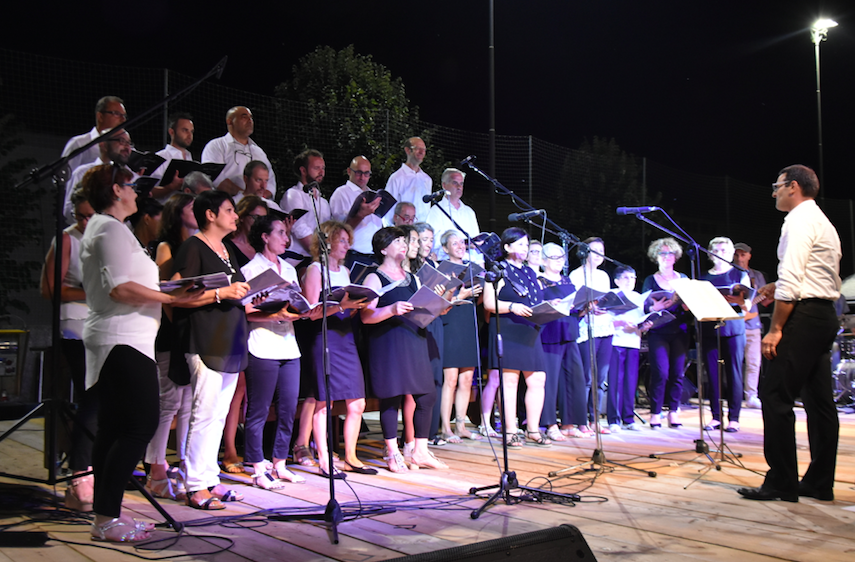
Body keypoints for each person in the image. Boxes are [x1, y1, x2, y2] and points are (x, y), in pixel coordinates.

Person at [78, 164, 201, 541]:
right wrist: (170, 298)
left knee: (115, 427)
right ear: (116, 191)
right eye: (131, 186)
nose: (137, 192)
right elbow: (120, 288)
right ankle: (106, 518)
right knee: (139, 426)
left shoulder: (109, 228)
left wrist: (170, 291)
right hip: (122, 339)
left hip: (124, 338)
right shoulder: (109, 228)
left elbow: (127, 284)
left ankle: (105, 517)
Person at [738, 164, 841, 503]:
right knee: (819, 401)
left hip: (804, 317)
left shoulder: (797, 221)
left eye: (777, 186)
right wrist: (776, 284)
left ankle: (782, 481)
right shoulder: (821, 220)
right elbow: (811, 273)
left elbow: (794, 283)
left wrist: (776, 329)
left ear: (793, 186)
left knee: (775, 395)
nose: (774, 192)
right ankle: (819, 482)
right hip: (824, 315)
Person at [171, 190, 251, 510]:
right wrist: (222, 293)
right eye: (229, 210)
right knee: (203, 413)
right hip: (204, 338)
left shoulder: (228, 248)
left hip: (230, 337)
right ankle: (194, 484)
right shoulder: (193, 246)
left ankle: (210, 477)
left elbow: (236, 288)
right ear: (210, 214)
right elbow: (178, 294)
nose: (236, 216)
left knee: (219, 413)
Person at [361, 227, 448, 472]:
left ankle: (420, 451)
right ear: (383, 249)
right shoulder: (374, 278)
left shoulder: (413, 278)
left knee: (426, 395)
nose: (403, 244)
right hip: (389, 342)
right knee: (391, 397)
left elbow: (422, 312)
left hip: (415, 338)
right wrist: (391, 310)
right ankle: (392, 452)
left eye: (403, 240)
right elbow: (366, 316)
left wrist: (437, 305)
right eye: (397, 240)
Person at [302, 221, 375, 476]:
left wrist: (358, 305)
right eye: (341, 240)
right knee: (325, 402)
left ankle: (351, 457)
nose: (347, 245)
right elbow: (311, 313)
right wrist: (343, 306)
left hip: (346, 338)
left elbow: (346, 308)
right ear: (327, 242)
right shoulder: (315, 270)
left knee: (357, 403)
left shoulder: (344, 271)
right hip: (325, 338)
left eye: (348, 241)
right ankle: (324, 460)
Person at [240, 216, 306, 486]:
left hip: (289, 345)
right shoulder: (250, 269)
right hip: (262, 345)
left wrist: (300, 310)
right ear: (265, 237)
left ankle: (280, 462)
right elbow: (246, 311)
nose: (286, 239)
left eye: (286, 233)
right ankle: (257, 466)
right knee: (258, 409)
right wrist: (274, 314)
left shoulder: (289, 269)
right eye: (280, 233)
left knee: (288, 408)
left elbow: (296, 304)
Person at [42, 190, 96, 510]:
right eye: (80, 216)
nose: (85, 222)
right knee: (92, 395)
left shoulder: (109, 236)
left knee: (105, 397)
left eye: (91, 216)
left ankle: (93, 467)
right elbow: (49, 288)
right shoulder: (66, 240)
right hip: (76, 326)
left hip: (105, 325)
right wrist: (92, 292)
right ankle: (81, 472)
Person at [144, 193, 198, 502]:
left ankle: (186, 466)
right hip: (171, 330)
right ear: (178, 213)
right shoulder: (166, 246)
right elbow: (166, 294)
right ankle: (156, 470)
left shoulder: (198, 244)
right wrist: (178, 326)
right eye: (192, 207)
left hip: (192, 328)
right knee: (169, 402)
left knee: (189, 402)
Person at [482, 227, 550, 448]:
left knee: (538, 379)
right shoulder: (498, 270)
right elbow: (488, 303)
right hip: (508, 327)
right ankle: (510, 430)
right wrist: (512, 306)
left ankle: (533, 429)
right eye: (520, 244)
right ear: (507, 246)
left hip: (530, 329)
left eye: (527, 244)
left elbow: (534, 300)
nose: (525, 248)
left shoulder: (530, 272)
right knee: (509, 382)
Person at [537, 243, 591, 439]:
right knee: (550, 381)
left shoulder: (568, 280)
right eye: (554, 257)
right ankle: (550, 424)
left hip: (570, 331)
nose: (559, 260)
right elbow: (537, 308)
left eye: (561, 257)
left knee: (574, 378)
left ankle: (569, 424)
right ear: (543, 261)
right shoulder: (540, 281)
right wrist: (550, 304)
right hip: (550, 334)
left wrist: (586, 307)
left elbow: (575, 310)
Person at [438, 230, 483, 442]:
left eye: (462, 242)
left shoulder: (472, 269)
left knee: (466, 379)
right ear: (445, 248)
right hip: (450, 321)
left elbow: (479, 299)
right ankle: (445, 427)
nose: (460, 246)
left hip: (467, 320)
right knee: (451, 378)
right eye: (454, 243)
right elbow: (438, 302)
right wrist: (461, 295)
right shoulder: (441, 269)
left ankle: (461, 425)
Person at [701, 237, 750, 433]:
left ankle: (734, 417)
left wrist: (740, 300)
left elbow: (747, 305)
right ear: (710, 254)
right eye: (716, 250)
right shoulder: (703, 278)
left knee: (734, 373)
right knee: (712, 374)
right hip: (709, 328)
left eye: (724, 250)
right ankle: (715, 416)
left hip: (733, 328)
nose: (720, 254)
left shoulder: (739, 274)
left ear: (730, 254)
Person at [641, 237, 691, 429]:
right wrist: (654, 307)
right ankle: (656, 412)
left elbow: (690, 306)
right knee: (660, 372)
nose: (666, 256)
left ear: (675, 256)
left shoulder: (683, 279)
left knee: (677, 373)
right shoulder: (650, 280)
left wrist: (687, 305)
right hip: (658, 331)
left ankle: (674, 410)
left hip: (680, 330)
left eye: (670, 253)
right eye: (662, 253)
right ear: (656, 256)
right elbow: (644, 306)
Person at [570, 237, 614, 433]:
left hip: (605, 327)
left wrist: (607, 306)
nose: (598, 254)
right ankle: (582, 421)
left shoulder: (604, 275)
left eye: (601, 251)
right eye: (594, 250)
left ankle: (596, 419)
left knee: (600, 378)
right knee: (586, 377)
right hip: (586, 329)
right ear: (585, 252)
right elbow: (573, 303)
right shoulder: (576, 275)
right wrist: (586, 307)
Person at [608, 266, 649, 433]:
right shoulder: (611, 295)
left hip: (633, 342)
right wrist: (620, 323)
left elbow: (640, 320)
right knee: (615, 382)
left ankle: (628, 418)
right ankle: (614, 419)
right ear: (617, 280)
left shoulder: (638, 297)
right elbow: (605, 319)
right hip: (616, 341)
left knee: (631, 382)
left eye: (633, 277)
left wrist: (645, 325)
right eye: (626, 277)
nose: (630, 281)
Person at [201, 106, 276, 196]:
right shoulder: (216, 146)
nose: (250, 121)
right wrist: (245, 197)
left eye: (251, 118)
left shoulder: (258, 151)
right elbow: (216, 178)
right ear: (229, 121)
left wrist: (258, 200)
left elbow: (271, 183)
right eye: (244, 117)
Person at [64, 128, 135, 224]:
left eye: (129, 143)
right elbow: (68, 211)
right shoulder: (82, 173)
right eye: (122, 141)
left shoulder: (130, 177)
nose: (127, 147)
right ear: (103, 145)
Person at [733, 242, 772, 409]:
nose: (740, 258)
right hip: (734, 323)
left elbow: (764, 301)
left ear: (749, 255)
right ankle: (734, 395)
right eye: (737, 255)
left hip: (753, 324)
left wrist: (770, 297)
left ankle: (751, 395)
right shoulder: (730, 274)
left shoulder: (757, 276)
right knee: (734, 362)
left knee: (754, 362)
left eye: (743, 255)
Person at [329, 156, 383, 269]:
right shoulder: (341, 193)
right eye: (359, 173)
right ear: (349, 171)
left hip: (375, 255)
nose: (362, 177)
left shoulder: (372, 194)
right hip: (354, 255)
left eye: (366, 173)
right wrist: (361, 215)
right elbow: (341, 230)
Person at [279, 149, 331, 260]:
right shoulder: (293, 194)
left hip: (319, 258)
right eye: (316, 168)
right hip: (297, 258)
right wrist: (319, 254)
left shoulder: (323, 202)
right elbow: (299, 228)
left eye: (323, 168)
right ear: (303, 170)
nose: (321, 172)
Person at [425, 169, 481, 262]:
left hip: (470, 264)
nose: (459, 187)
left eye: (461, 184)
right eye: (455, 183)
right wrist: (462, 245)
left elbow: (477, 244)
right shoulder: (436, 210)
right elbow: (433, 243)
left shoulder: (469, 212)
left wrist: (481, 266)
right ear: (444, 185)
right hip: (445, 262)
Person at [61, 96, 126, 174]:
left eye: (124, 116)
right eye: (117, 114)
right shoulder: (79, 143)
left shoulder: (126, 148)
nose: (123, 119)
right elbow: (64, 177)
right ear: (100, 116)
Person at [383, 137, 432, 224]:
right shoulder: (396, 178)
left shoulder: (427, 179)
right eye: (418, 148)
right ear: (407, 150)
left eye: (424, 149)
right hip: (403, 229)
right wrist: (392, 230)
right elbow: (387, 211)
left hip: (422, 230)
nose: (422, 152)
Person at [150, 112, 194, 202]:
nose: (190, 135)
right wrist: (170, 187)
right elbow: (149, 191)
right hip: (164, 209)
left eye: (191, 131)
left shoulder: (190, 157)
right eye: (185, 130)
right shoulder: (160, 157)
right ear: (171, 132)